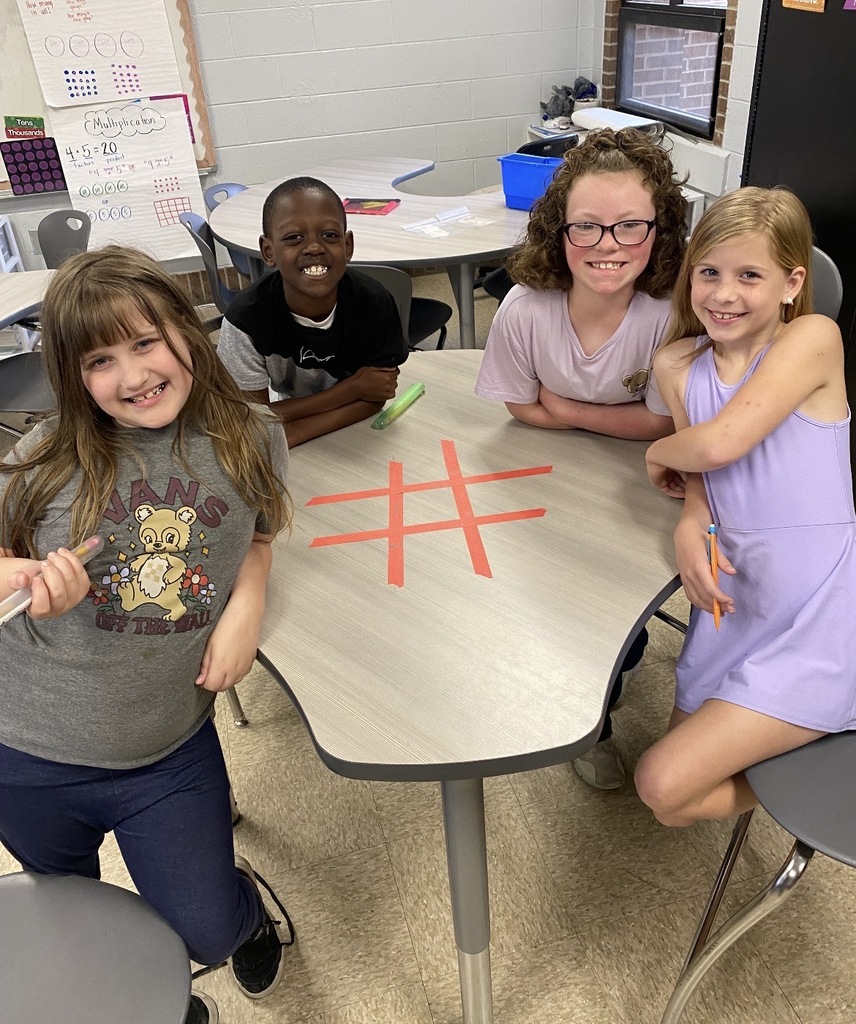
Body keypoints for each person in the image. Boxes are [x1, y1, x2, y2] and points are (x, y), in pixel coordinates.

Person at [0, 247, 294, 1024]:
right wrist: (27, 581)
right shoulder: (41, 460)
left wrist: (245, 608)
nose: (131, 376)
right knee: (70, 918)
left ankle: (246, 906)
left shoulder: (254, 437)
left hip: (166, 750)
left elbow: (258, 539)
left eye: (145, 342)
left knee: (211, 928)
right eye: (100, 359)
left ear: (187, 334)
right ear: (71, 374)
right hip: (25, 751)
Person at [635, 186, 856, 827]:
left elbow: (722, 441)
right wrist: (687, 524)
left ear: (791, 283)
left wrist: (656, 456)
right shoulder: (677, 363)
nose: (723, 294)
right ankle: (799, 731)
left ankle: (822, 719)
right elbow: (703, 478)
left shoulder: (814, 337)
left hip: (818, 608)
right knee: (670, 803)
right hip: (739, 597)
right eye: (709, 272)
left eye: (749, 276)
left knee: (660, 782)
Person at [475, 128, 688, 789]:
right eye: (586, 228)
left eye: (630, 227)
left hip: (637, 482)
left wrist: (566, 411)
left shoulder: (668, 312)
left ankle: (609, 686)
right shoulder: (524, 308)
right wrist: (586, 420)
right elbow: (517, 406)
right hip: (545, 474)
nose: (607, 247)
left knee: (620, 613)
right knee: (542, 591)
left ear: (659, 231)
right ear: (556, 231)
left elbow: (660, 422)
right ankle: (579, 714)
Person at [216, 175, 409, 447]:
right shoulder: (245, 320)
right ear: (268, 251)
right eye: (294, 238)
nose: (315, 248)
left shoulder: (374, 303)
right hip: (313, 422)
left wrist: (293, 433)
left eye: (329, 235)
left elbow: (376, 397)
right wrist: (353, 388)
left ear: (347, 245)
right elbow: (248, 419)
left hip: (359, 435)